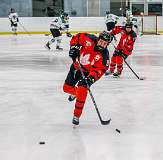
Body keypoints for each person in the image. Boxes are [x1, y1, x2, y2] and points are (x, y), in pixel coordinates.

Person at [63, 31, 112, 126]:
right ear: (98, 39)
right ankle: (76, 93)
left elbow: (100, 70)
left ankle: (76, 116)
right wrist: (74, 47)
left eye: (105, 43)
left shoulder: (104, 56)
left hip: (88, 73)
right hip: (76, 67)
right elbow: (77, 38)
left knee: (82, 89)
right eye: (101, 41)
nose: (102, 45)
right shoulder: (89, 38)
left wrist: (91, 78)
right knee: (66, 88)